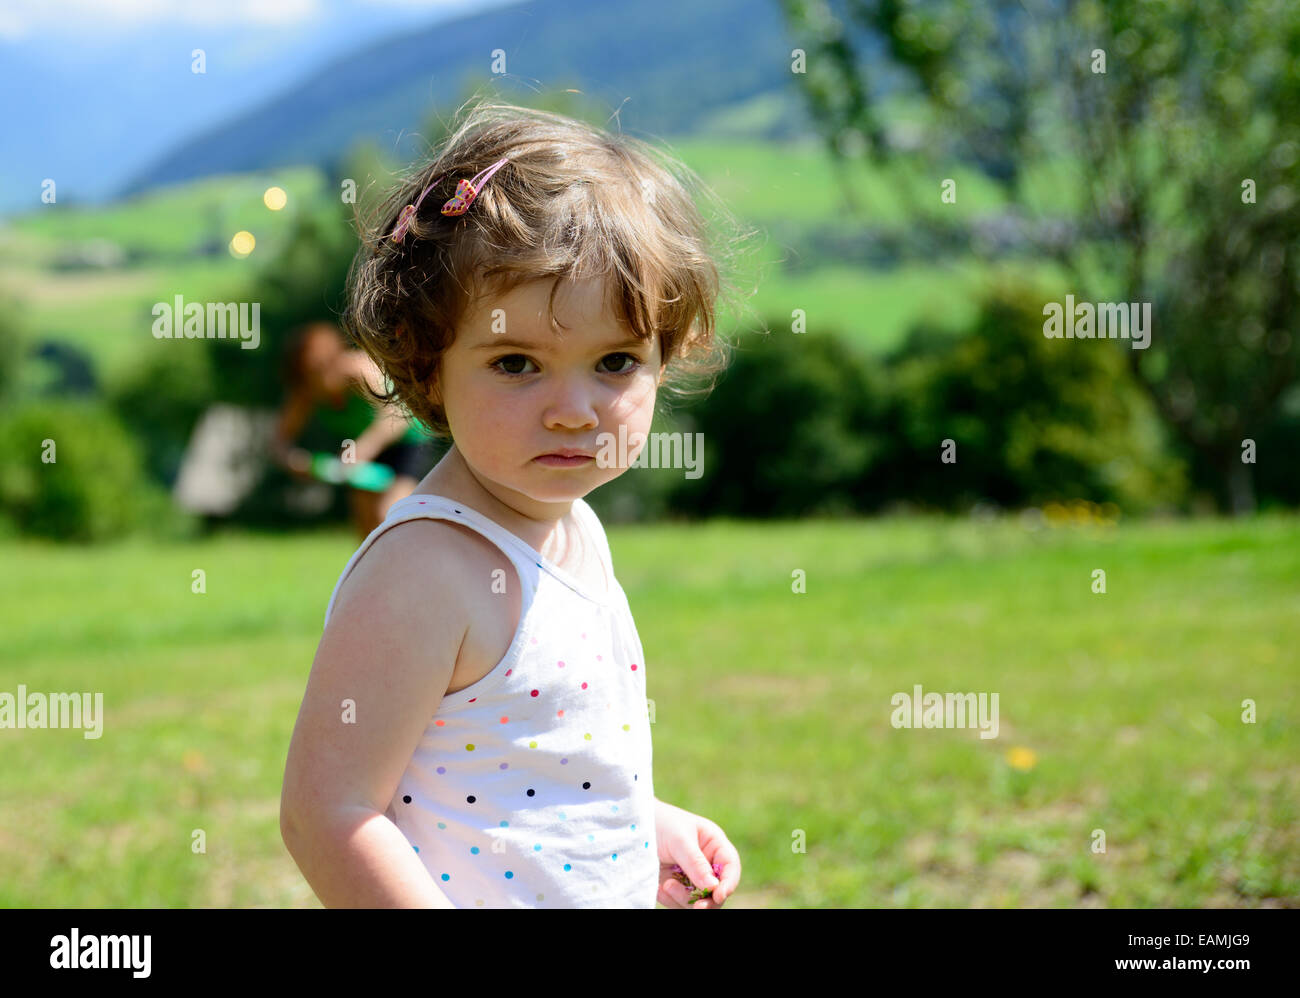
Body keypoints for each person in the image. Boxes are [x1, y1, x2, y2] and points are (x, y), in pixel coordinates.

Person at [279, 98, 750, 908]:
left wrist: (644, 829)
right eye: (516, 364)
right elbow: (330, 813)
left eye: (613, 360)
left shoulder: (575, 527)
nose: (572, 409)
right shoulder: (425, 571)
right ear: (429, 370)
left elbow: (541, 765)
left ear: (664, 361)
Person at [271, 322, 442, 540]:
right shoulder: (306, 391)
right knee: (366, 529)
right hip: (363, 457)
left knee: (389, 514)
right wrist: (292, 461)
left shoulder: (361, 371)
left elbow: (396, 418)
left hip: (409, 443)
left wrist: (360, 451)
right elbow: (279, 440)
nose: (317, 382)